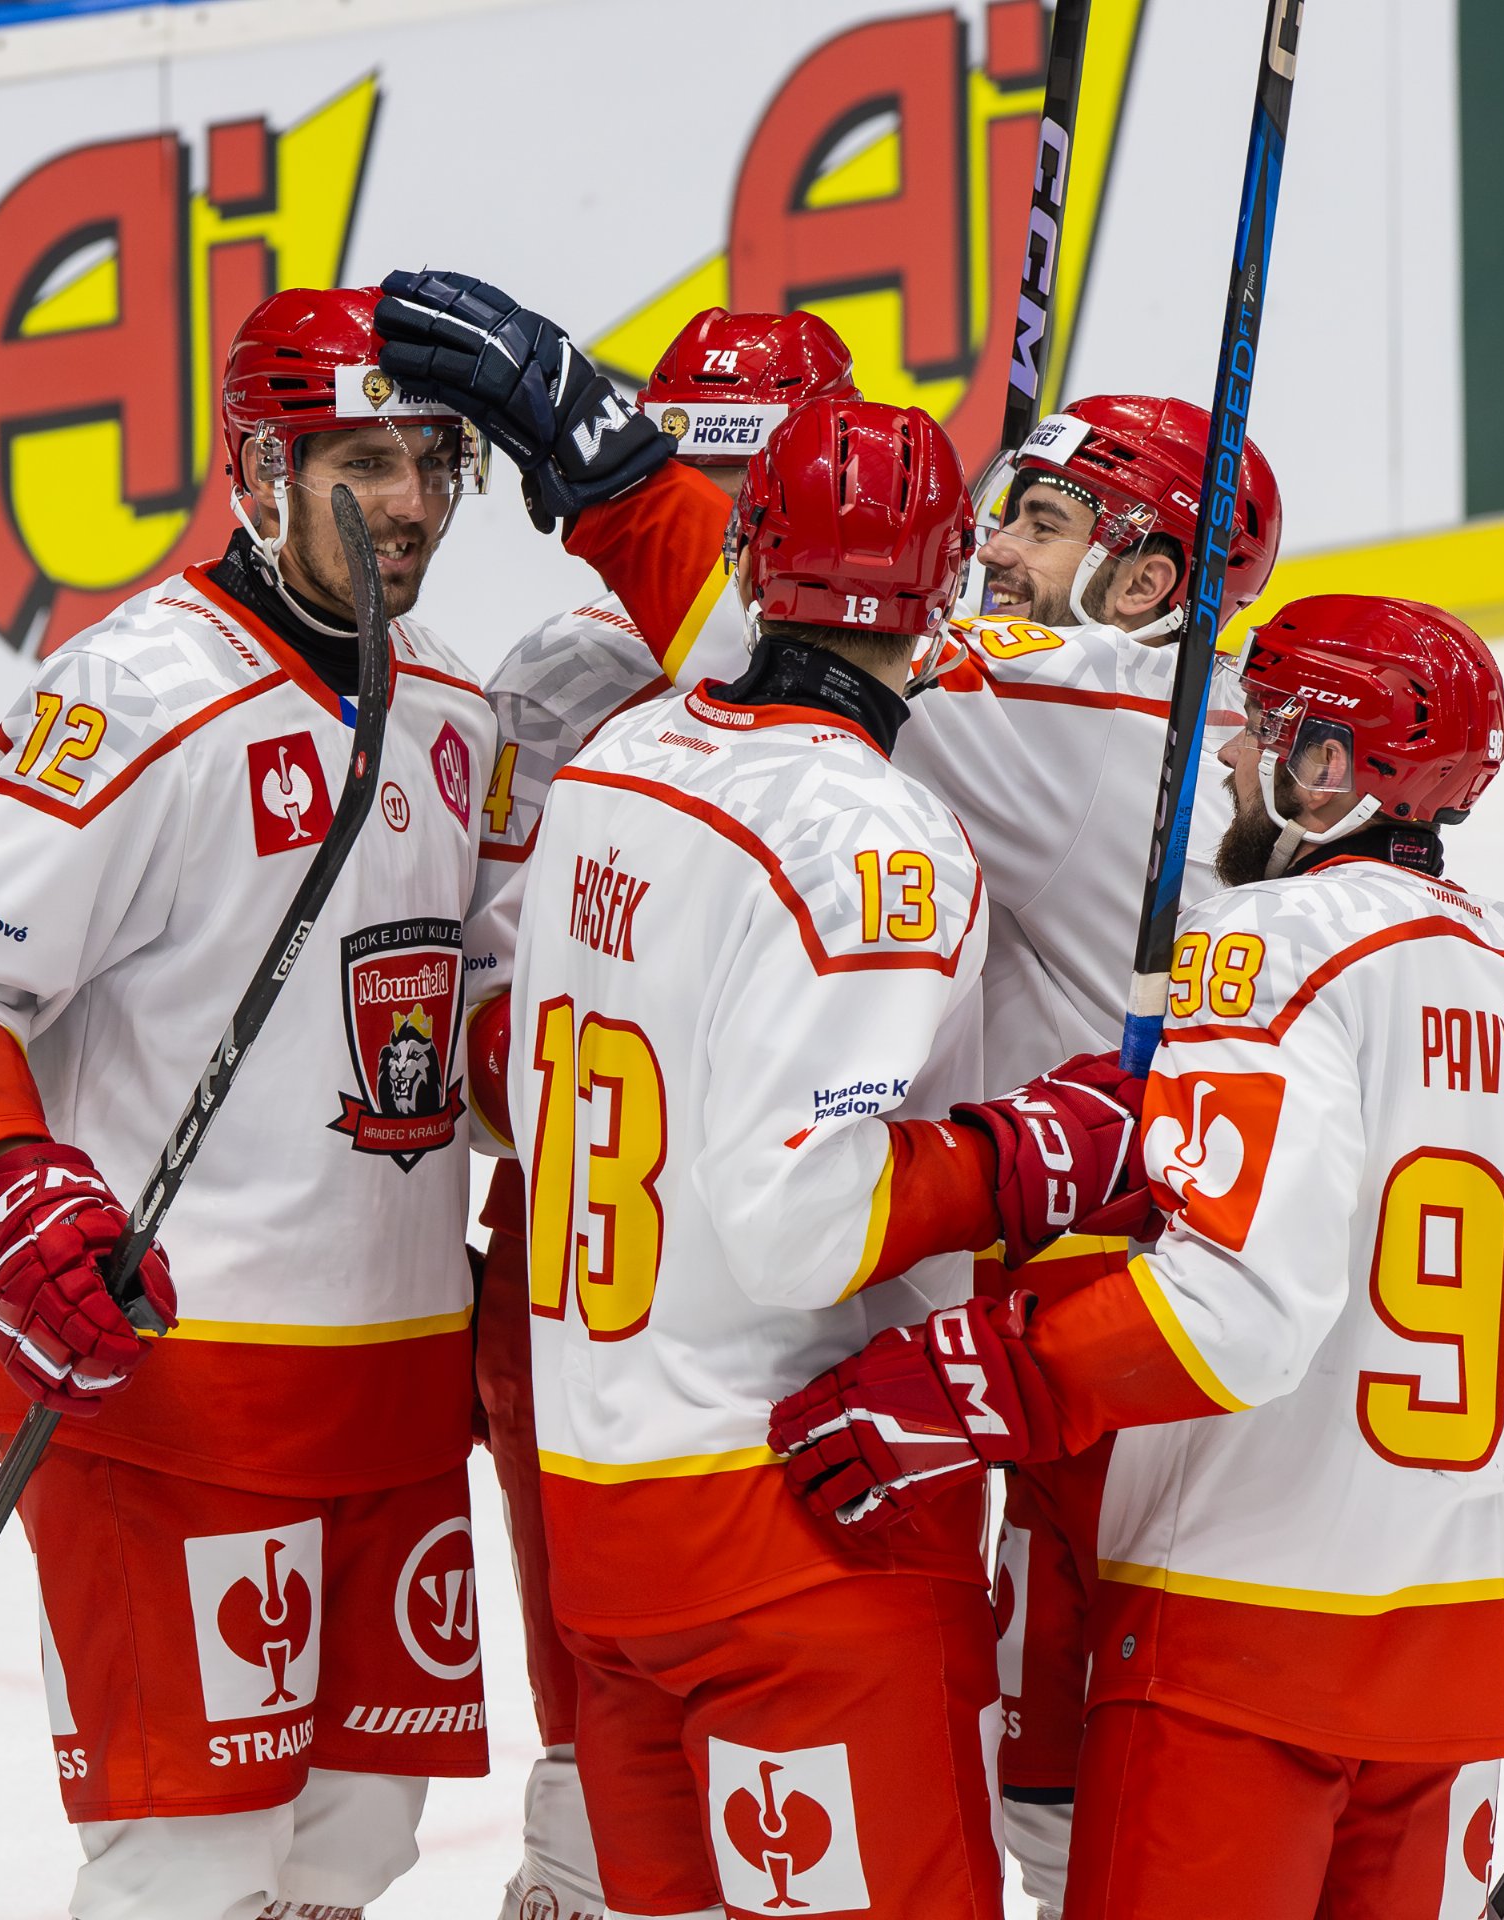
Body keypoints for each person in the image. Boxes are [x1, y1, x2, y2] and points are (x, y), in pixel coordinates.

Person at [372, 268, 1286, 1911]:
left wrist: (607, 469)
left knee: (1098, 1823)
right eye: (991, 523)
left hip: (1085, 1363)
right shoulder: (1167, 737)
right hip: (1027, 1359)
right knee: (1074, 1821)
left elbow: (802, 653)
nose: (999, 557)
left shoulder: (1068, 713)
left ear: (1152, 583)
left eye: (1045, 525)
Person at [772, 594, 1504, 1919]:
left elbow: (1239, 1310)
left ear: (1330, 769)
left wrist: (972, 1378)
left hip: (1231, 1647)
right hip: (1453, 1684)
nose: (1228, 753)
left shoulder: (1265, 946)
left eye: (1264, 727)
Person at [0, 286, 503, 1920]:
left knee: (353, 1845)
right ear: (260, 472)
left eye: (435, 460)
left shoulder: (454, 704)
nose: (412, 503)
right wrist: (16, 1181)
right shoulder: (139, 696)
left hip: (398, 1387)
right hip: (170, 1386)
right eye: (363, 463)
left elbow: (466, 1009)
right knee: (192, 1864)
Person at [496, 389, 1163, 1920]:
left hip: (603, 1517)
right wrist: (1029, 1154)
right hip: (800, 1522)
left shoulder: (619, 760)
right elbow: (800, 1219)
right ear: (946, 593)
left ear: (747, 555)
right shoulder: (879, 836)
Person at [464, 304, 858, 1920]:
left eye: (762, 484)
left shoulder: (923, 681)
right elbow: (472, 1003)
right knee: (599, 1707)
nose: (735, 522)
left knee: (838, 1705)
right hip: (586, 1268)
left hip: (821, 1268)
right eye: (703, 480)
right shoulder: (563, 682)